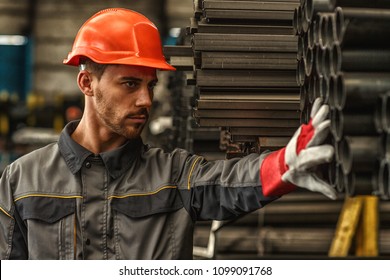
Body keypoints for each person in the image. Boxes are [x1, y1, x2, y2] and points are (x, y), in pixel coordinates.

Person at [0, 8, 336, 260]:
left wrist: (284, 165)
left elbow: (229, 182)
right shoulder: (22, 180)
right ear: (87, 83)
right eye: (130, 84)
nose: (146, 100)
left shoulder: (174, 175)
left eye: (150, 86)